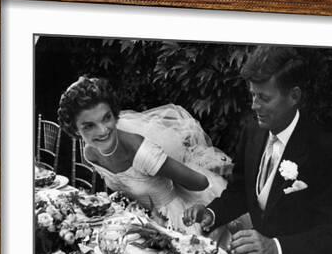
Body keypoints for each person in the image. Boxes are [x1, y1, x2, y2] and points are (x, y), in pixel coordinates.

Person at [183, 45, 332, 254]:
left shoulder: (326, 150)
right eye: (252, 95)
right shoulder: (252, 130)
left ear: (294, 96)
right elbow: (240, 191)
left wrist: (275, 248)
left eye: (264, 98)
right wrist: (212, 213)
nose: (254, 105)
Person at [57, 76, 231, 232]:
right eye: (89, 126)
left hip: (176, 223)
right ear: (75, 129)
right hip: (141, 221)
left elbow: (201, 183)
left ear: (115, 115)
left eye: (106, 118)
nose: (102, 130)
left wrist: (165, 172)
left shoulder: (141, 152)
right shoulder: (90, 152)